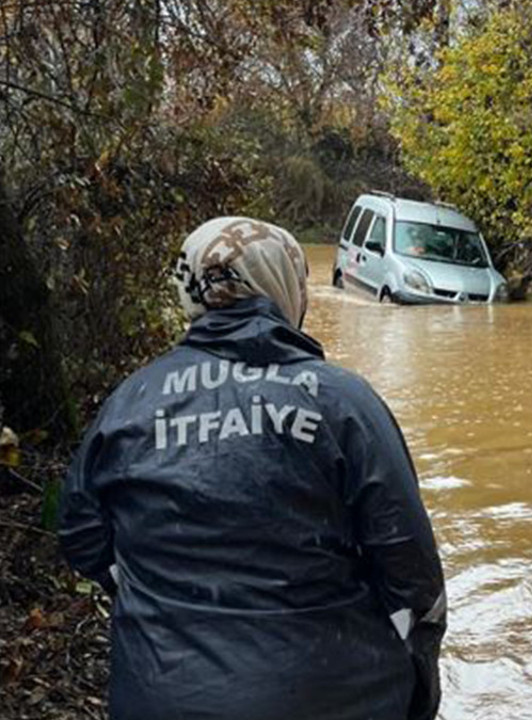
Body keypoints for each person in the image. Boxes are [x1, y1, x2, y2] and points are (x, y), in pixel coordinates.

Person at [59, 217, 446, 720]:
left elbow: (80, 533)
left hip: (160, 694)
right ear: (287, 288)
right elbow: (413, 577)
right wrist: (421, 685)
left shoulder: (129, 402)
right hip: (334, 695)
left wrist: (158, 596)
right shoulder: (344, 402)